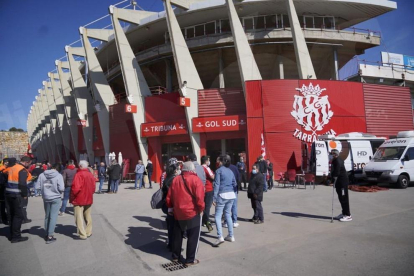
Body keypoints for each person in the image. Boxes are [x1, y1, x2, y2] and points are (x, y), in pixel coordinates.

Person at [166, 161, 205, 266]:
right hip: (192, 212)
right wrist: (201, 209)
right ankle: (190, 260)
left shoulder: (176, 179)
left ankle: (175, 256)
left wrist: (170, 208)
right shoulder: (196, 180)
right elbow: (200, 198)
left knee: (177, 235)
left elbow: (169, 196)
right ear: (192, 169)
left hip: (178, 212)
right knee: (193, 236)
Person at [5, 156, 32, 243]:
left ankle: (12, 233)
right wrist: (24, 194)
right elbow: (22, 184)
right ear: (27, 162)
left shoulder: (12, 167)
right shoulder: (22, 170)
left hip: (8, 193)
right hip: (17, 195)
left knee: (12, 214)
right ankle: (16, 236)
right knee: (18, 216)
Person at [36, 163, 65, 244]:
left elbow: (37, 186)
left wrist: (44, 191)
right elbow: (61, 188)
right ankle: (50, 235)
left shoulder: (42, 174)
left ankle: (46, 233)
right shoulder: (58, 175)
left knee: (47, 216)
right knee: (53, 216)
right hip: (55, 197)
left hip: (46, 197)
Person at [213, 155, 237, 247]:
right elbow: (234, 183)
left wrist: (214, 198)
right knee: (228, 215)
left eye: (219, 161)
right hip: (231, 194)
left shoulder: (219, 171)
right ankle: (231, 235)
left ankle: (220, 236)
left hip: (222, 194)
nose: (218, 162)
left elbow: (217, 185)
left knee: (218, 216)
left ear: (221, 162)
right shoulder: (230, 171)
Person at [70, 160, 96, 240]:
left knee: (79, 217)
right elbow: (93, 188)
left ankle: (82, 234)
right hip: (88, 197)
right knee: (88, 216)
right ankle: (88, 231)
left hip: (79, 199)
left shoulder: (78, 174)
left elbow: (75, 188)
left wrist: (71, 197)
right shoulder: (90, 175)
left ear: (80, 166)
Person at [161, 158, 180, 251]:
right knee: (175, 226)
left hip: (168, 205)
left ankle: (170, 243)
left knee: (170, 226)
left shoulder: (166, 178)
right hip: (173, 205)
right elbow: (173, 194)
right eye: (177, 168)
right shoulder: (174, 179)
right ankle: (173, 245)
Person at [330, 149, 352, 222]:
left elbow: (337, 171)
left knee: (344, 198)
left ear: (335, 154)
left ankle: (348, 215)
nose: (330, 155)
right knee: (340, 197)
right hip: (339, 182)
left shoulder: (338, 160)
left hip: (342, 182)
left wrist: (333, 180)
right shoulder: (335, 160)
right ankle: (344, 213)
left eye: (332, 154)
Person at [225, 158, 240, 228]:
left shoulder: (222, 169)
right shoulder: (235, 168)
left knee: (226, 206)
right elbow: (238, 179)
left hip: (224, 190)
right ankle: (234, 221)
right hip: (233, 190)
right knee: (234, 206)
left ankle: (226, 222)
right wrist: (238, 188)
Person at [201, 156, 214, 232]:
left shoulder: (199, 168)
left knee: (203, 206)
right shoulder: (206, 168)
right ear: (206, 161)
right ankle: (206, 221)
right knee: (207, 207)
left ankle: (203, 220)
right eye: (208, 160)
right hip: (208, 189)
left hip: (202, 189)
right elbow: (212, 177)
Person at [0, 158, 10, 225]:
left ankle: (3, 218)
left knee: (3, 205)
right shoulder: (3, 170)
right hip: (3, 189)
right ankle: (3, 218)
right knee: (3, 205)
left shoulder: (6, 169)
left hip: (4, 189)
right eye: (6, 162)